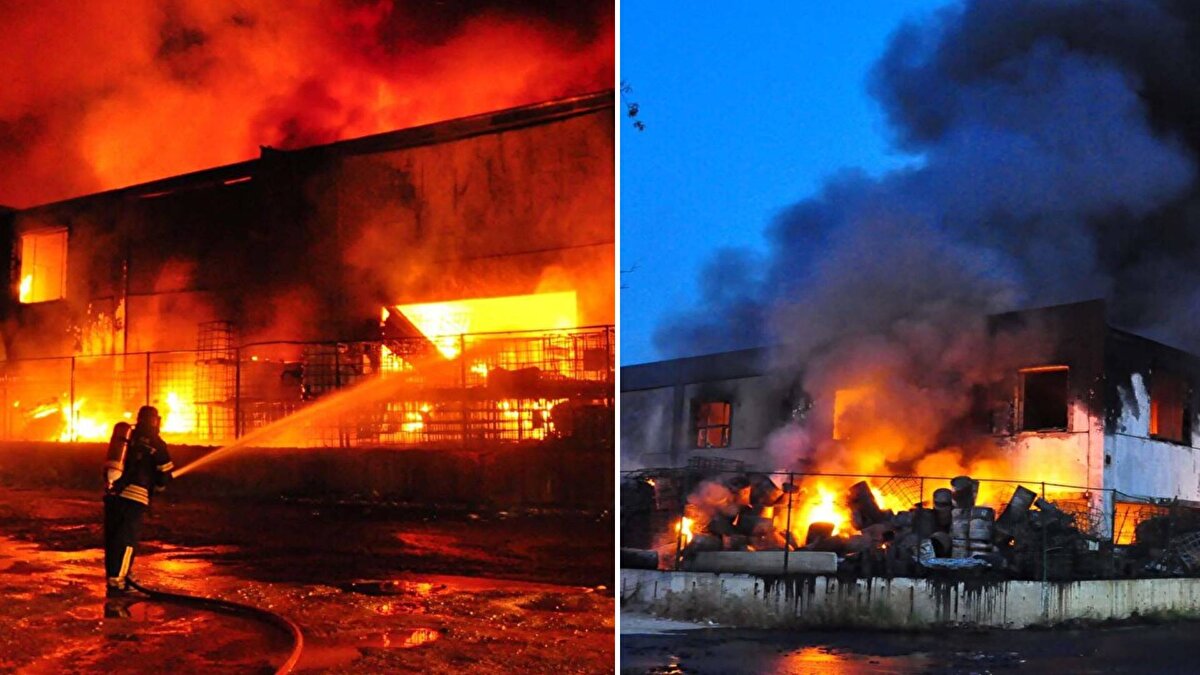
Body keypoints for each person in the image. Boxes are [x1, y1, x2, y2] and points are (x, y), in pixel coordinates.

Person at [103, 405, 173, 597]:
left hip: (114, 494)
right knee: (127, 541)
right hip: (135, 497)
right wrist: (160, 486)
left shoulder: (128, 437)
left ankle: (114, 576)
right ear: (155, 421)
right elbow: (165, 473)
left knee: (113, 538)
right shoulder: (157, 443)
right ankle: (120, 581)